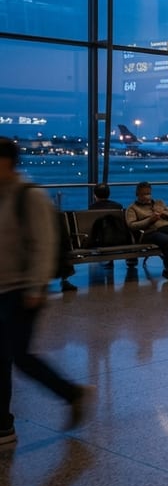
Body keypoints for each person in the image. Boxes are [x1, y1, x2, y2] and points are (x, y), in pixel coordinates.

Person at [0, 138, 95, 447]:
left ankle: (71, 394)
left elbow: (44, 246)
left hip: (20, 291)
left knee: (21, 358)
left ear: (6, 162)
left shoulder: (30, 197)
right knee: (8, 357)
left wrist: (36, 287)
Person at [90, 183, 137, 274]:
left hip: (103, 241)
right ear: (109, 194)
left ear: (95, 195)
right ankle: (131, 259)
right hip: (120, 238)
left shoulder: (92, 208)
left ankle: (109, 260)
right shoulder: (118, 206)